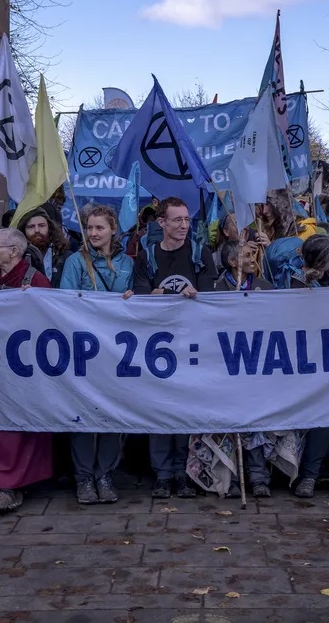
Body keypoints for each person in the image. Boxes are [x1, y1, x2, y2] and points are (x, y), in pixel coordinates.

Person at [132, 197, 216, 499]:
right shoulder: (147, 256)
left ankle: (183, 472)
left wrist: (195, 294)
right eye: (177, 220)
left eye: (186, 220)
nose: (183, 226)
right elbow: (141, 296)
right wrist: (153, 295)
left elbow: (210, 293)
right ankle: (162, 474)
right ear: (162, 223)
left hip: (191, 344)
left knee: (185, 409)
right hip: (158, 347)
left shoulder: (199, 252)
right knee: (159, 409)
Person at [0, 227, 54, 515]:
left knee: (25, 426)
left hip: (27, 368)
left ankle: (22, 481)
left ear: (14, 252)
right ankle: (1, 484)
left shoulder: (36, 281)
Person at [60, 205, 134, 504]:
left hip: (115, 351)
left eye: (99, 228)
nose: (93, 233)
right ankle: (84, 478)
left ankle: (105, 474)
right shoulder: (75, 262)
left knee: (112, 415)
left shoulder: (127, 262)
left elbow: (134, 301)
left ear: (113, 229)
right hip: (84, 349)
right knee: (83, 416)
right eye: (89, 228)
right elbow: (64, 301)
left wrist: (132, 300)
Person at [289, 235, 329, 499]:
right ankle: (310, 475)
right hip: (312, 360)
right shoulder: (297, 281)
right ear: (323, 258)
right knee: (324, 418)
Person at [18, 205, 71, 286]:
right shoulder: (17, 258)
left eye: (41, 225)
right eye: (31, 227)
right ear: (23, 231)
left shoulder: (66, 257)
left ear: (49, 228)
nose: (37, 230)